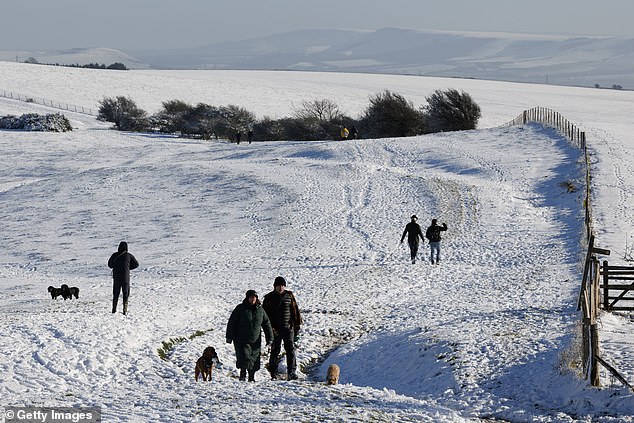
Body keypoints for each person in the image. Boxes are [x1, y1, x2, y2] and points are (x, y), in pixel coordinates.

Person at [226, 290, 273, 382]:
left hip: (255, 340)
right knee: (244, 356)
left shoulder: (260, 310)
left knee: (254, 358)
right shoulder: (240, 309)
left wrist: (270, 338)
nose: (253, 299)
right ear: (247, 298)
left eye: (255, 297)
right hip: (241, 339)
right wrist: (229, 336)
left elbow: (266, 323)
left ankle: (251, 376)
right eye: (251, 297)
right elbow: (232, 322)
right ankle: (243, 374)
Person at [262, 276, 303, 380]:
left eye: (282, 285)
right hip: (275, 329)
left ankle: (291, 372)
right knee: (275, 350)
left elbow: (295, 311)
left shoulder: (289, 296)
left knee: (290, 350)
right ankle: (273, 372)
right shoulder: (269, 298)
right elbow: (265, 316)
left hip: (288, 328)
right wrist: (270, 329)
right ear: (275, 286)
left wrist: (296, 327)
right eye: (278, 285)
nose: (281, 287)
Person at [107, 241, 139, 315]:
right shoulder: (129, 255)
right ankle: (125, 309)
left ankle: (114, 309)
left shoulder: (114, 255)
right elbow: (136, 264)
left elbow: (110, 265)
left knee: (116, 293)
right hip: (125, 277)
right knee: (125, 293)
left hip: (116, 277)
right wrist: (128, 267)